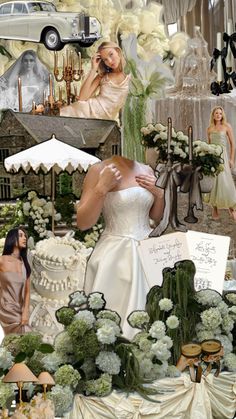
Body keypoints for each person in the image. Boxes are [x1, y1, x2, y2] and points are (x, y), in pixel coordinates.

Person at [77, 155, 164, 338]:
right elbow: (83, 223)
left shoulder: (147, 169)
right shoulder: (98, 169)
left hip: (150, 253)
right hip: (116, 258)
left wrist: (159, 194)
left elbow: (156, 217)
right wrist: (101, 188)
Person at [60, 41, 130, 120]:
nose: (110, 61)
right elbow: (82, 98)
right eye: (105, 60)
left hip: (103, 122)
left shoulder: (132, 76)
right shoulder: (103, 75)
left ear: (117, 51)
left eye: (111, 54)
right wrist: (93, 69)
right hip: (85, 111)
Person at [204, 106, 236, 221]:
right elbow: (208, 145)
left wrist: (232, 159)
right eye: (216, 113)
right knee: (214, 181)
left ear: (222, 115)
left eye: (220, 113)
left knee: (226, 180)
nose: (218, 115)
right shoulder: (209, 128)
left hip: (223, 156)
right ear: (213, 115)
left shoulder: (227, 126)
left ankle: (232, 207)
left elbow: (233, 144)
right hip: (213, 157)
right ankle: (215, 208)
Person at [0, 227, 31, 335]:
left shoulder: (25, 264)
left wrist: (26, 312)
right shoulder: (1, 260)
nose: (24, 238)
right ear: (12, 238)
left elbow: (27, 291)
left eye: (25, 236)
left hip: (20, 310)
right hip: (4, 310)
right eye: (21, 235)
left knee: (26, 340)